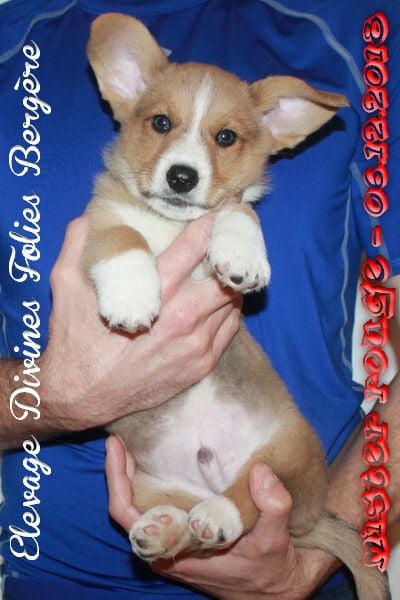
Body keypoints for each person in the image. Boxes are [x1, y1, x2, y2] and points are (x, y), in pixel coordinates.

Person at [0, 0, 399, 599]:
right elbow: (108, 240)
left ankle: (240, 509)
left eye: (225, 138)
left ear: (278, 130)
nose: (185, 164)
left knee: (286, 449)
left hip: (300, 545)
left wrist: (320, 553)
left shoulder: (363, 32)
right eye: (162, 123)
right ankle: (185, 519)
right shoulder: (13, 43)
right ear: (125, 90)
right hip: (61, 572)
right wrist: (54, 395)